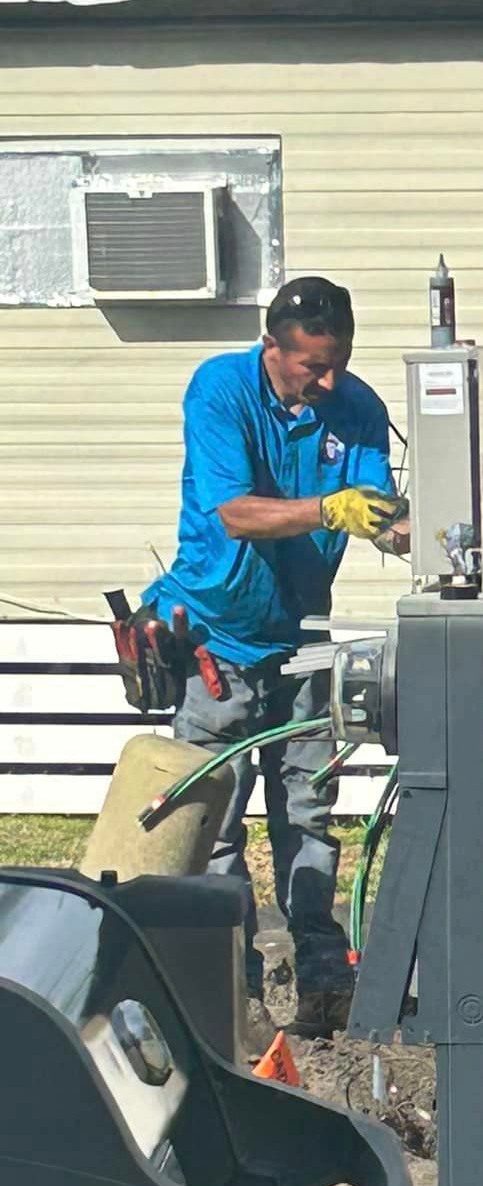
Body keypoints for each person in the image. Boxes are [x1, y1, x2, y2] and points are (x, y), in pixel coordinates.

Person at [115, 275, 408, 1043]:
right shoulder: (221, 391)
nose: (329, 379)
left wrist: (407, 525)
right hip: (216, 640)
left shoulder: (359, 409)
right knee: (213, 826)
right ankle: (231, 989)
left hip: (304, 641)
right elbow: (237, 513)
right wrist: (329, 508)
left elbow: (379, 508)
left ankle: (324, 981)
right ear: (272, 346)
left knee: (308, 816)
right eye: (313, 365)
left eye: (339, 361)